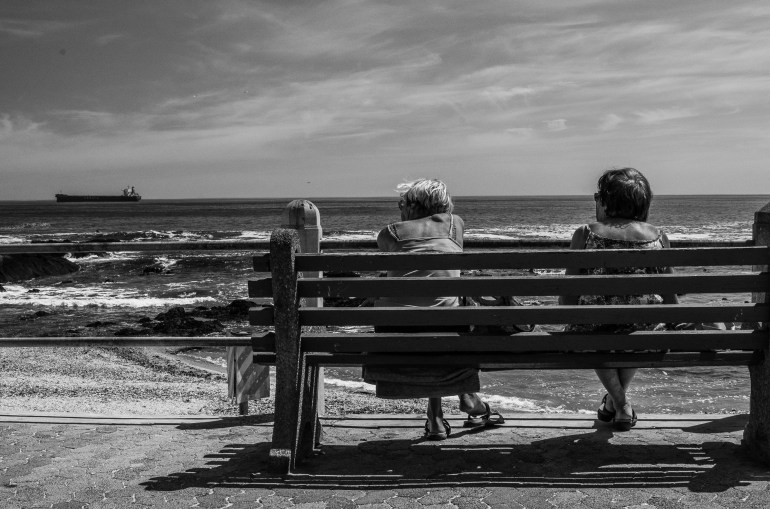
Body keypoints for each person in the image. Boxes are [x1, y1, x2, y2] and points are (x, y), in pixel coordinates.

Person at [363, 178, 504, 440]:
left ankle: (437, 418)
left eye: (402, 204)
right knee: (447, 310)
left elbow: (393, 252)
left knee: (431, 310)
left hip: (394, 332)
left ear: (413, 205)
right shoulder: (455, 225)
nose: (400, 209)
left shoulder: (389, 233)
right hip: (448, 331)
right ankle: (467, 399)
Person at [559, 168, 678, 431]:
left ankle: (619, 404)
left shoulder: (585, 234)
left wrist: (571, 317)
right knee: (636, 331)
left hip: (592, 334)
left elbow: (567, 295)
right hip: (647, 335)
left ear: (606, 201)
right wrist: (673, 325)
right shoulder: (659, 237)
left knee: (594, 331)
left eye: (598, 197)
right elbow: (670, 294)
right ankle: (618, 404)